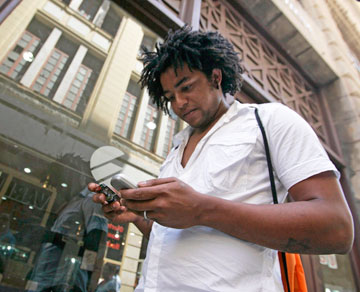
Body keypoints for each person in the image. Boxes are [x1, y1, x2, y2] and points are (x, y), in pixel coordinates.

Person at [88, 26, 354, 291]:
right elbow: (178, 237)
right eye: (170, 97)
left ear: (216, 77)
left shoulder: (269, 121)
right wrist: (138, 218)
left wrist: (202, 210)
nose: (179, 103)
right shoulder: (175, 149)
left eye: (187, 87)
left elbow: (337, 228)